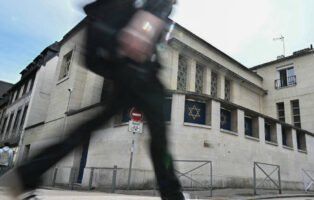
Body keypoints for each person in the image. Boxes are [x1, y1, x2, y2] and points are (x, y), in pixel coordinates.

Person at [0, 0, 185, 200]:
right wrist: (141, 29)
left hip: (117, 52)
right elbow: (149, 17)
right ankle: (172, 195)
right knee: (159, 134)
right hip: (138, 64)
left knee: (93, 124)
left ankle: (26, 173)